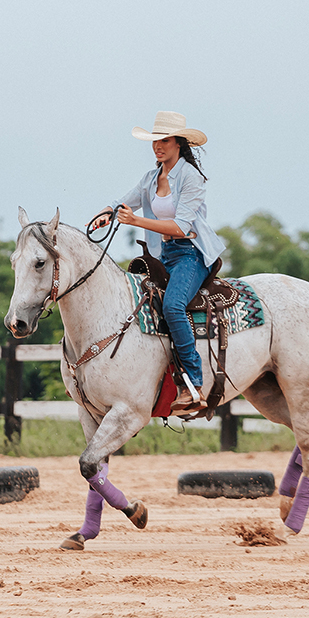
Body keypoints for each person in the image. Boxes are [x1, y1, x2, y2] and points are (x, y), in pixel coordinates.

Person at [91, 111, 225, 413]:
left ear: (178, 142)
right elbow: (124, 201)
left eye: (164, 140)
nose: (157, 146)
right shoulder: (152, 178)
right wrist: (106, 213)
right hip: (164, 255)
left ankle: (193, 382)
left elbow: (181, 226)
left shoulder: (191, 177)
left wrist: (136, 220)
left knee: (173, 306)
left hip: (190, 254)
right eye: (155, 141)